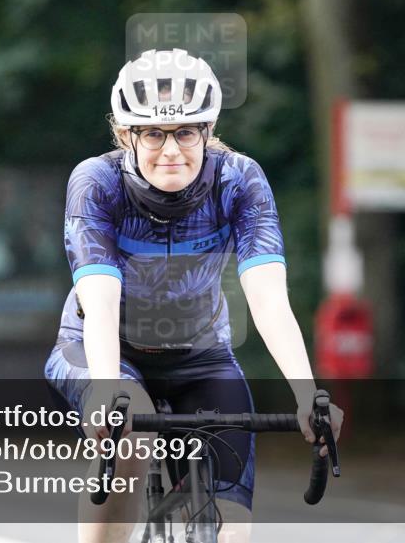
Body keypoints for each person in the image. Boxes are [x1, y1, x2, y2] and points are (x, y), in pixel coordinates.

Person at [44, 48, 343, 543]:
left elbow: (268, 299)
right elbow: (98, 300)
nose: (171, 150)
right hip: (102, 351)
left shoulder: (238, 180)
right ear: (126, 135)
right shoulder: (96, 183)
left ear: (207, 131)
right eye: (152, 133)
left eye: (185, 132)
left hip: (201, 354)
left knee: (234, 532)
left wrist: (307, 394)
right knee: (130, 433)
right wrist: (102, 389)